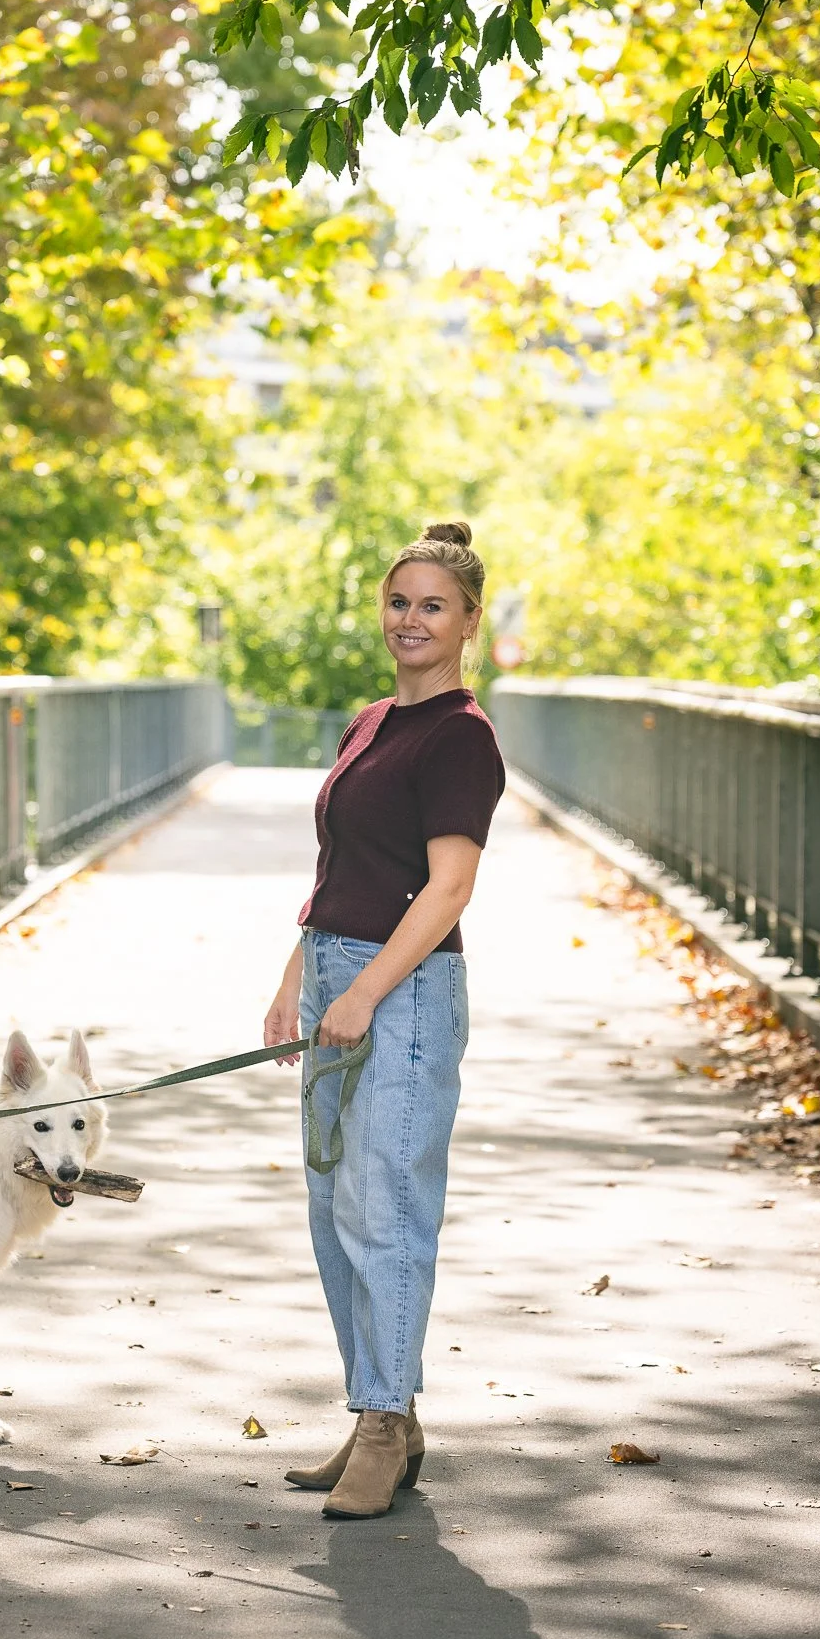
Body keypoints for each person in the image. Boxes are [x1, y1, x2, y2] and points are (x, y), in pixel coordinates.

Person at [262, 520, 505, 1519]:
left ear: (465, 621)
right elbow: (339, 871)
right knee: (332, 1214)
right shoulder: (368, 720)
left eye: (431, 605)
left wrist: (362, 992)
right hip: (333, 974)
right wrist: (298, 978)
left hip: (398, 996)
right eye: (399, 600)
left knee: (383, 1213)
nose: (411, 618)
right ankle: (384, 1416)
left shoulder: (460, 736)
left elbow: (447, 887)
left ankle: (380, 1421)